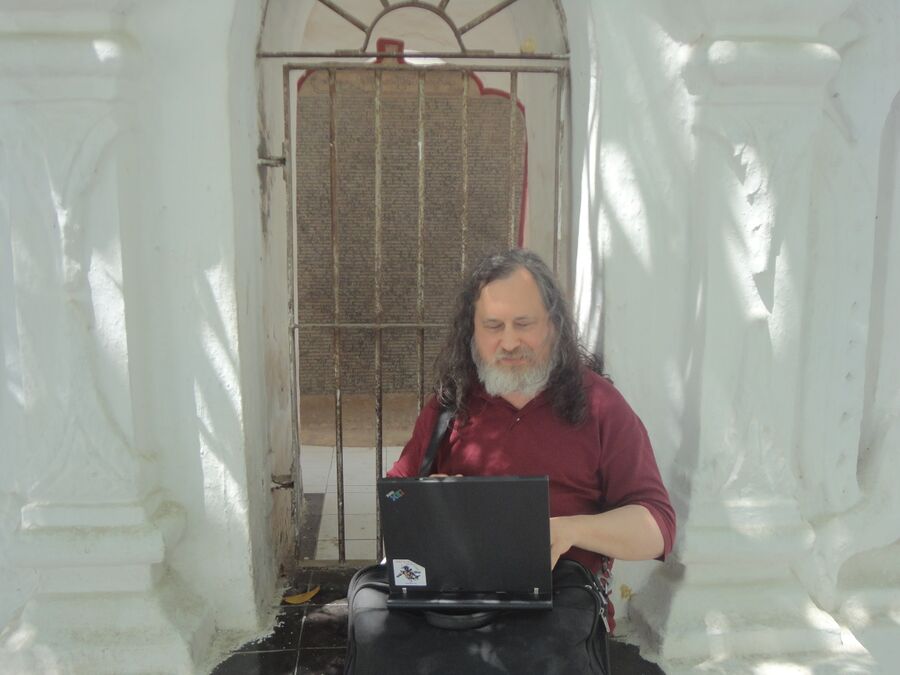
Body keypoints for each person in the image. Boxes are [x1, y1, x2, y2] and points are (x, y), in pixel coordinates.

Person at [387, 249, 675, 633]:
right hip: (459, 611)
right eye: (493, 326)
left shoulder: (601, 406)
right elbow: (395, 497)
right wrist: (428, 501)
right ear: (472, 332)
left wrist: (569, 530)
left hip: (561, 614)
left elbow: (658, 529)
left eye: (524, 323)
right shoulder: (450, 404)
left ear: (554, 326)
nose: (509, 343)